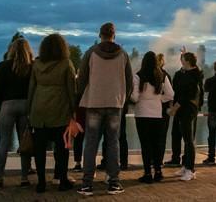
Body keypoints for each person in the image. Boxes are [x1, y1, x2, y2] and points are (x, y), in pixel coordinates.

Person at [77, 23, 132, 196]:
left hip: (94, 103)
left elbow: (81, 80)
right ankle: (114, 182)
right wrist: (122, 98)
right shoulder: (123, 55)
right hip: (115, 104)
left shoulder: (91, 53)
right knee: (113, 142)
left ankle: (87, 184)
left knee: (91, 142)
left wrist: (79, 100)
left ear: (100, 35)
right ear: (114, 35)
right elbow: (129, 82)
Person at [28, 34, 76, 193]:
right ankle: (62, 180)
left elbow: (31, 88)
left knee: (39, 149)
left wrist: (30, 110)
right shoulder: (66, 64)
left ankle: (41, 182)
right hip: (60, 110)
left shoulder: (36, 64)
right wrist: (73, 110)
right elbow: (71, 89)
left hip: (39, 111)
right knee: (62, 148)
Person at [0, 38, 33, 188]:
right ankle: (24, 177)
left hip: (8, 104)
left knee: (4, 140)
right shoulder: (31, 67)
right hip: (25, 104)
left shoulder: (2, 66)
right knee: (25, 142)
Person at [131, 51, 174, 183]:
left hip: (142, 114)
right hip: (157, 114)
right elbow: (171, 94)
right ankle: (158, 171)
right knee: (157, 143)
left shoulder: (138, 76)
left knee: (146, 144)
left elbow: (134, 97)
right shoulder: (162, 75)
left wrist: (142, 98)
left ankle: (147, 173)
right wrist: (158, 99)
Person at [165, 51, 204, 168]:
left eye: (182, 58)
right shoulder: (181, 73)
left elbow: (187, 95)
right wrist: (173, 106)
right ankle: (178, 161)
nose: (180, 60)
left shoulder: (195, 74)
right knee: (176, 134)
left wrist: (175, 107)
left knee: (188, 139)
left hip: (188, 109)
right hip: (180, 109)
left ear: (187, 61)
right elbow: (176, 91)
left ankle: (189, 167)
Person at [156, 53, 172, 169]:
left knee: (152, 136)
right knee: (162, 136)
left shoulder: (148, 75)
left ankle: (152, 158)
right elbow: (171, 94)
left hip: (152, 110)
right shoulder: (166, 75)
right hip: (164, 110)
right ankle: (159, 160)